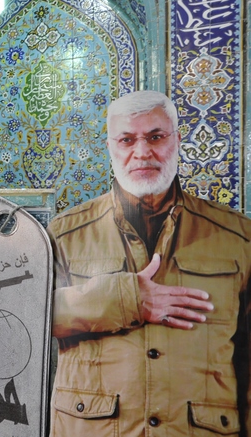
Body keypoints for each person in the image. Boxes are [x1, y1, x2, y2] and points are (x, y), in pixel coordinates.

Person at [47, 90, 251, 436]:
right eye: (127, 140)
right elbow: (27, 321)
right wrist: (125, 299)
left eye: (155, 137)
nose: (142, 152)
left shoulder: (238, 236)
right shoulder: (63, 234)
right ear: (110, 147)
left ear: (177, 140)